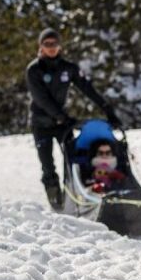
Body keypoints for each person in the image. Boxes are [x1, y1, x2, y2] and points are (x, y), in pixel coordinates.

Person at [26, 28, 121, 208]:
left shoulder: (68, 68)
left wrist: (107, 109)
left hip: (62, 124)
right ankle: (57, 205)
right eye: (47, 44)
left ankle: (77, 198)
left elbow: (87, 88)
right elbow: (42, 99)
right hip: (41, 124)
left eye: (54, 44)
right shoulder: (34, 70)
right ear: (41, 46)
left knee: (73, 163)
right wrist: (62, 117)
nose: (51, 48)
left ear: (60, 45)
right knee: (48, 166)